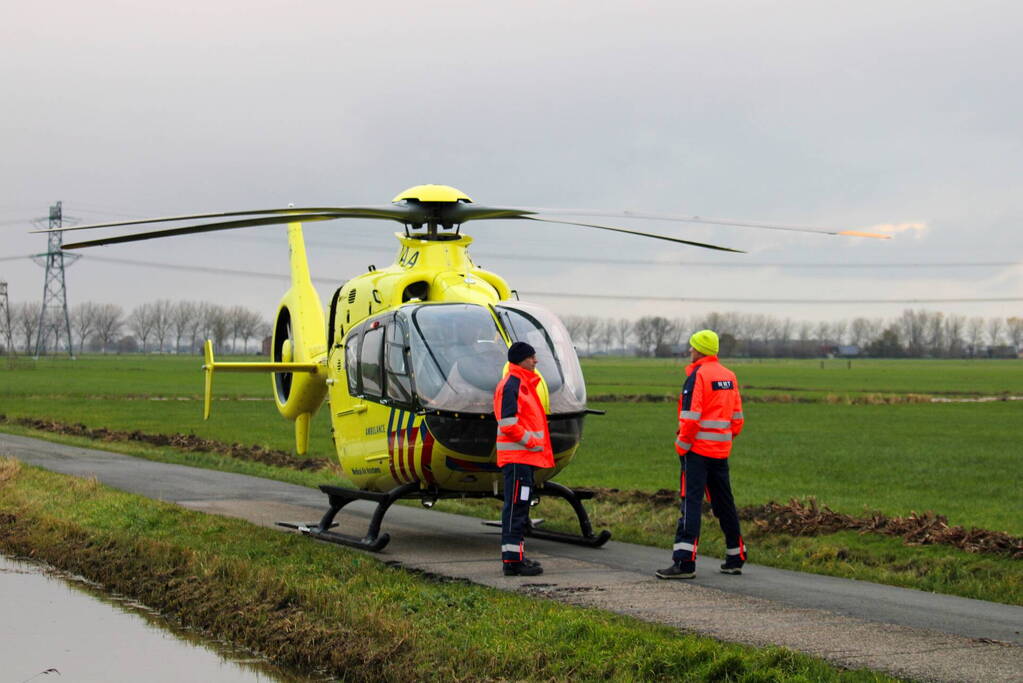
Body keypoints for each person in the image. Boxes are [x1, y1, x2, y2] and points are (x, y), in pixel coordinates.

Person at [657, 329, 747, 579]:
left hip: (696, 451)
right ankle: (735, 556)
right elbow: (737, 418)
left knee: (691, 503)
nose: (689, 351)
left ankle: (684, 563)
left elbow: (690, 416)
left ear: (699, 349)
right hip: (721, 450)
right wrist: (725, 438)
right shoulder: (729, 376)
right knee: (724, 503)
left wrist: (682, 445)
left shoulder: (698, 376)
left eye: (691, 347)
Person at [493, 341, 553, 577]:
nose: (535, 361)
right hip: (519, 458)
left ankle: (515, 558)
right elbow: (508, 423)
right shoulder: (513, 384)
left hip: (523, 459)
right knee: (516, 508)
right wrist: (532, 442)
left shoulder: (523, 383)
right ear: (520, 360)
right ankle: (512, 561)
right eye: (531, 357)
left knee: (520, 507)